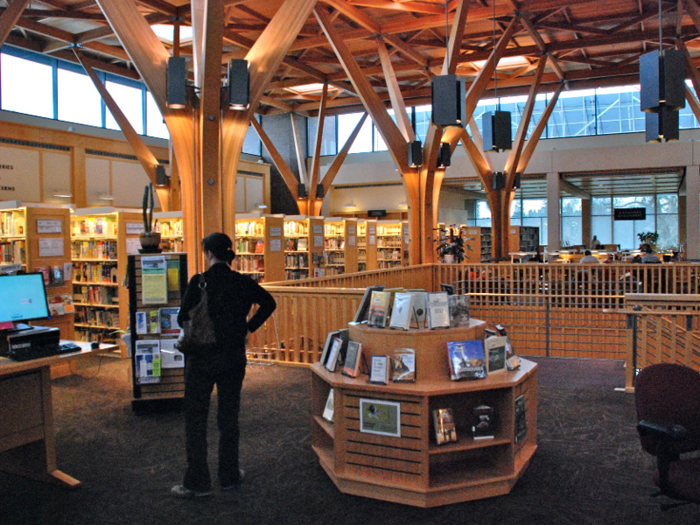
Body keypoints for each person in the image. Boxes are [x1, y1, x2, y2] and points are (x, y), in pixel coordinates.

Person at [171, 232, 276, 498]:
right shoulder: (242, 282)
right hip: (232, 358)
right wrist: (247, 326)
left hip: (200, 359)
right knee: (228, 417)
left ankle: (198, 481)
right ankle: (229, 475)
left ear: (208, 253)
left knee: (196, 419)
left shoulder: (199, 282)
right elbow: (269, 303)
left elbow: (183, 317)